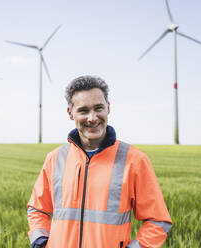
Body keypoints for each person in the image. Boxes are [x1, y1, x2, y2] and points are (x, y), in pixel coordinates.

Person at [27, 75, 172, 248]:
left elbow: (158, 221)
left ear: (108, 108)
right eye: (83, 110)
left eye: (98, 108)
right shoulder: (55, 158)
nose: (92, 118)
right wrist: (42, 243)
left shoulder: (134, 160)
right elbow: (37, 209)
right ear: (70, 113)